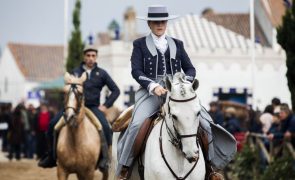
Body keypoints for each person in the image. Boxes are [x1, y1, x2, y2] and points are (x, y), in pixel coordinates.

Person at [116, 5, 236, 179]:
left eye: (163, 21)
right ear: (149, 24)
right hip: (150, 92)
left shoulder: (177, 44)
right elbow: (136, 71)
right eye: (156, 22)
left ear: (166, 23)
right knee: (136, 124)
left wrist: (184, 84)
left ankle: (211, 169)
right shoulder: (139, 44)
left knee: (205, 122)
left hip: (177, 93)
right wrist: (153, 86)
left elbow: (190, 68)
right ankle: (124, 170)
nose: (160, 25)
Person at [38, 45, 120, 170]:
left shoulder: (102, 73)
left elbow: (116, 90)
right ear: (84, 57)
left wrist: (105, 105)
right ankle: (51, 156)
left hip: (92, 107)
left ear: (96, 57)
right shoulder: (74, 72)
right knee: (52, 125)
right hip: (72, 107)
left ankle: (104, 159)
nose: (91, 58)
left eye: (93, 56)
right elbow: (67, 90)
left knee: (105, 128)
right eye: (88, 56)